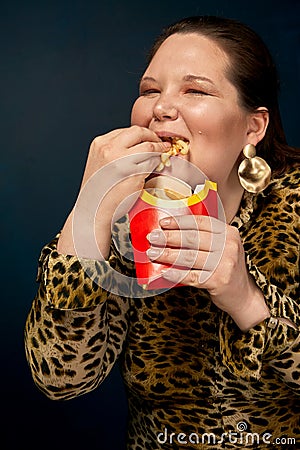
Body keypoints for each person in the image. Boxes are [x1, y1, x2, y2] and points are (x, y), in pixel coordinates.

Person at [25, 15, 299, 449]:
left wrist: (248, 300)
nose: (160, 108)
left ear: (254, 126)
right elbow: (61, 378)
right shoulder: (123, 218)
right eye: (151, 90)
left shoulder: (293, 205)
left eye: (195, 90)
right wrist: (89, 208)